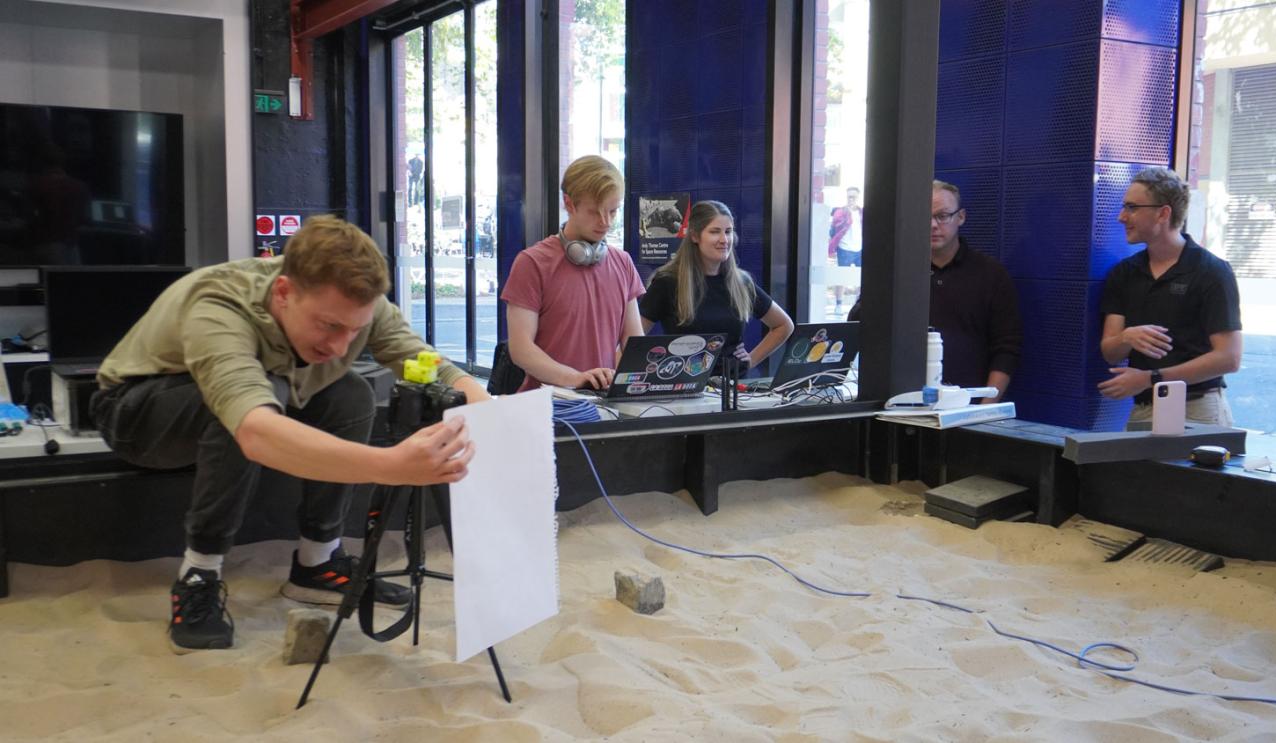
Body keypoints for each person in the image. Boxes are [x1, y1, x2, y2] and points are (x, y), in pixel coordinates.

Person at [90, 215, 487, 652]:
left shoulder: (356, 303)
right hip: (136, 415)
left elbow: (429, 363)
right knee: (252, 399)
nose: (341, 345)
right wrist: (393, 467)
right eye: (329, 326)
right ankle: (199, 572)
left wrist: (488, 413)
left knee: (352, 391)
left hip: (265, 396)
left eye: (355, 330)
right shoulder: (219, 305)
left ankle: (316, 562)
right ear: (283, 293)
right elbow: (255, 431)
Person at [1099, 167, 1242, 427]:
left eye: (1132, 208)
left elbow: (1229, 358)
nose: (1122, 217)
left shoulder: (1211, 271)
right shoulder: (1124, 273)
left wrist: (1151, 378)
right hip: (1144, 408)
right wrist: (1126, 337)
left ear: (1163, 213)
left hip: (1198, 409)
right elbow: (1109, 351)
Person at [502, 155, 644, 390]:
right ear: (569, 204)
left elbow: (634, 343)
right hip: (547, 409)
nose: (606, 222)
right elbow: (520, 349)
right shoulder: (532, 263)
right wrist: (575, 379)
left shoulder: (623, 262)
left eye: (613, 211)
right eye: (594, 212)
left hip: (604, 407)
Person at [640, 200, 794, 370]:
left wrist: (751, 360)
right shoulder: (667, 281)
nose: (724, 239)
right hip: (683, 388)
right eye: (714, 232)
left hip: (733, 387)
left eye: (728, 232)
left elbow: (783, 325)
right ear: (695, 236)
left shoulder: (741, 283)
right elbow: (634, 337)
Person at [919, 180, 1021, 401]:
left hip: (968, 404)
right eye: (924, 216)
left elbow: (1006, 348)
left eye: (942, 216)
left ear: (961, 217)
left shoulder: (990, 274)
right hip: (905, 402)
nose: (933, 225)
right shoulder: (901, 272)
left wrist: (984, 408)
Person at [827, 186, 863, 315]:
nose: (851, 199)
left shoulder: (861, 212)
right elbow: (835, 227)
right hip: (845, 248)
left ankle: (859, 303)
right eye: (849, 196)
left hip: (859, 248)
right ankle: (838, 304)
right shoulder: (841, 212)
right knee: (841, 278)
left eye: (854, 197)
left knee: (862, 277)